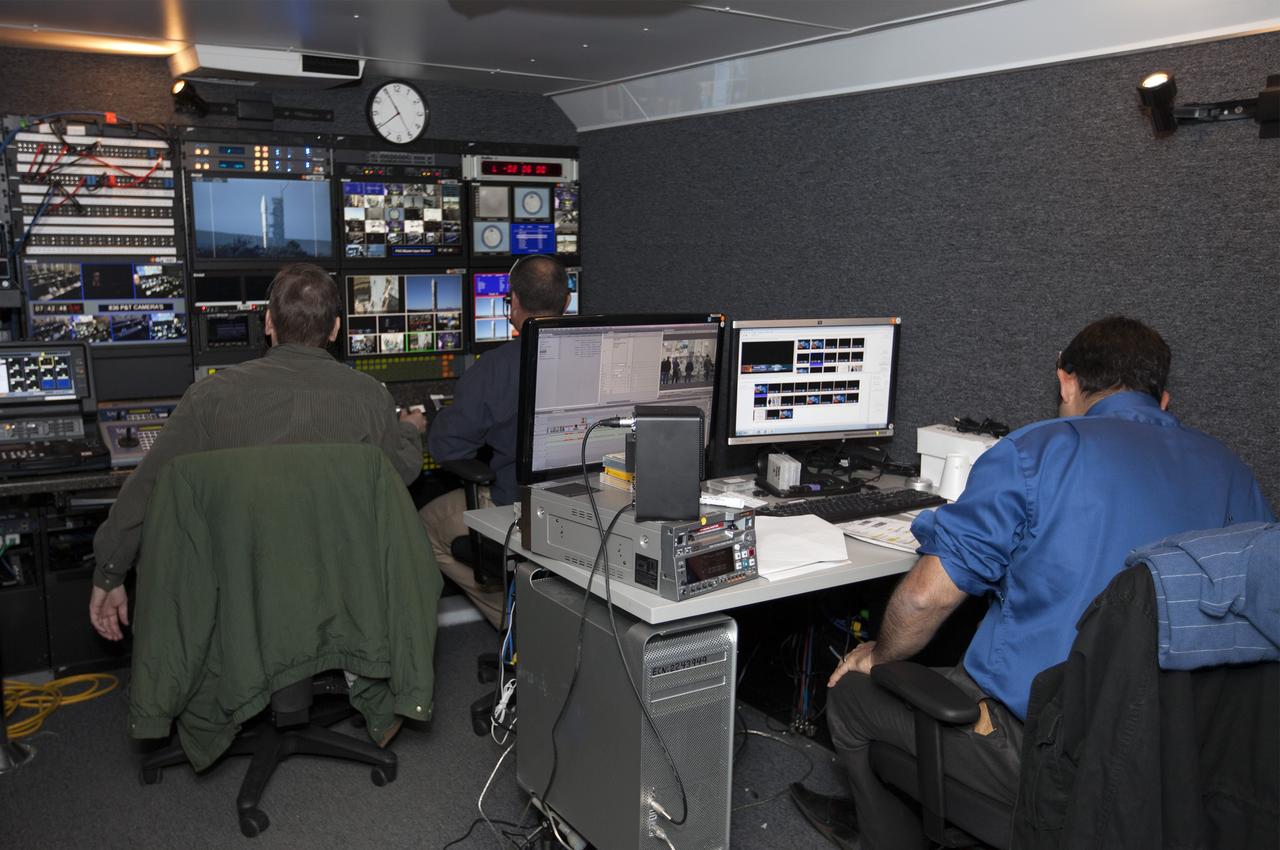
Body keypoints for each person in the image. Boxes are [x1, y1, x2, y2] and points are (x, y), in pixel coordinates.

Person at [793, 316, 1275, 850]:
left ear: (1066, 381)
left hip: (1049, 755)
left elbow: (925, 599)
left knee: (852, 693)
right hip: (1175, 761)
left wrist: (878, 654)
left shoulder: (1037, 452)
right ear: (1162, 400)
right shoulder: (1234, 474)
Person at [89, 263, 427, 642]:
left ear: (268, 322)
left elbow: (145, 490)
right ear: (335, 329)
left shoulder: (209, 397)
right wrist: (410, 430)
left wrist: (109, 571)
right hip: (339, 589)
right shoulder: (371, 397)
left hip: (243, 598)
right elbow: (400, 472)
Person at [420, 255, 570, 628]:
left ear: (513, 302)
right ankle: (536, 621)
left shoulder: (496, 367)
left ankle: (517, 623)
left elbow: (448, 448)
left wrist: (429, 422)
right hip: (582, 502)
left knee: (421, 528)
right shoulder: (600, 354)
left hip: (516, 506)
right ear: (567, 302)